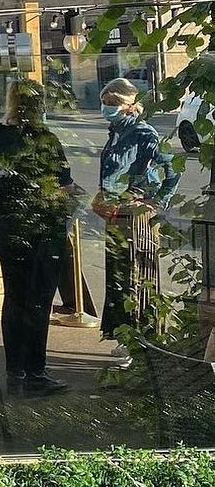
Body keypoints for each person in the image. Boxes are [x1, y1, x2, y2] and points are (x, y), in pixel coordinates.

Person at [0, 78, 72, 394]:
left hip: (9, 224)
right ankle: (35, 371)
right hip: (43, 226)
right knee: (39, 300)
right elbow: (63, 184)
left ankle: (15, 371)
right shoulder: (47, 140)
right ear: (40, 105)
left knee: (14, 298)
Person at [95, 76, 180, 349]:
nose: (106, 107)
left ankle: (142, 342)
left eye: (112, 103)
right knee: (118, 276)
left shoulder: (144, 133)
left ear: (128, 106)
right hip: (116, 214)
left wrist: (158, 202)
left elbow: (172, 170)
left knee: (137, 274)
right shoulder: (116, 131)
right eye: (104, 102)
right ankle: (123, 337)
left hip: (136, 216)